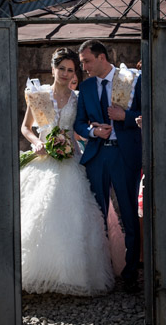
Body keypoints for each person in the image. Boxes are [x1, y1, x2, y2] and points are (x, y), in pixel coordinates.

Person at [19, 48, 114, 296]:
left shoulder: (78, 98)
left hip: (70, 159)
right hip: (43, 160)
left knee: (74, 215)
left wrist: (92, 129)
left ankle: (73, 275)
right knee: (40, 211)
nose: (65, 73)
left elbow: (79, 128)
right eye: (61, 68)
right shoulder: (38, 96)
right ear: (53, 69)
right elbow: (26, 127)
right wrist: (37, 142)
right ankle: (40, 272)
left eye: (71, 70)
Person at [74, 40, 143, 293]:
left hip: (124, 156)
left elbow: (148, 111)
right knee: (97, 215)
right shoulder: (87, 86)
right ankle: (101, 271)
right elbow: (79, 123)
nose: (84, 67)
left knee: (128, 214)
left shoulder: (133, 78)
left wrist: (125, 116)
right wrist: (93, 131)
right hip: (97, 157)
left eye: (87, 61)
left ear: (102, 57)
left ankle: (130, 273)